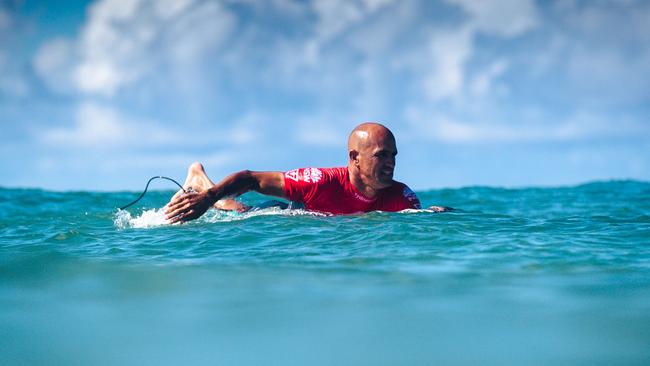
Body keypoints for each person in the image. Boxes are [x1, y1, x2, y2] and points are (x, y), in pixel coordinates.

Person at [165, 122, 448, 223]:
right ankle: (201, 181)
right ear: (355, 158)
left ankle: (203, 183)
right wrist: (209, 197)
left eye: (393, 156)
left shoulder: (402, 196)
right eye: (381, 156)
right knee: (241, 211)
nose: (391, 163)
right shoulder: (319, 181)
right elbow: (251, 178)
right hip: (294, 208)